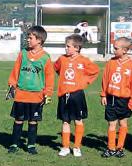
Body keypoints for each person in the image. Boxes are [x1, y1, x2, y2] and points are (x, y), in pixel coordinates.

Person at [6, 25, 55, 154]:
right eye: (27, 37)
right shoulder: (23, 53)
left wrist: (48, 93)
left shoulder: (45, 57)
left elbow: (49, 77)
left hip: (36, 96)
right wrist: (12, 85)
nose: (27, 39)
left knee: (33, 121)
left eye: (30, 38)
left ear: (39, 40)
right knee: (18, 120)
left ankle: (31, 145)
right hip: (21, 94)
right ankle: (14, 144)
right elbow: (16, 70)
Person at [54, 33, 99, 157]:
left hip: (77, 95)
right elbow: (56, 68)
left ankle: (77, 147)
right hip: (64, 94)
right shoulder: (62, 59)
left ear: (77, 48)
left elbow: (95, 71)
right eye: (66, 46)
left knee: (78, 120)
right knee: (65, 121)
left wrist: (84, 82)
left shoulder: (83, 60)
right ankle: (65, 147)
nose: (66, 48)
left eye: (68, 46)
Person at [100, 36, 132, 157]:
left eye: (116, 48)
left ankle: (120, 148)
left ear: (124, 50)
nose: (114, 50)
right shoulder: (111, 63)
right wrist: (103, 94)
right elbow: (105, 79)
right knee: (111, 124)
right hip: (111, 98)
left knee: (123, 123)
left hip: (124, 100)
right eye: (114, 47)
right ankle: (111, 148)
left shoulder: (131, 66)